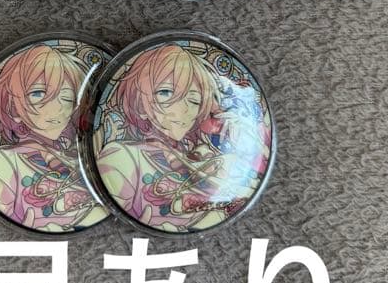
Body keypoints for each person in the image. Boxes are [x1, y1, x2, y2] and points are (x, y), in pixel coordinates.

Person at [96, 44, 267, 232]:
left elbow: (235, 195)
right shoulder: (122, 156)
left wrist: (245, 141)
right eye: (166, 92)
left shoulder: (207, 156)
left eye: (194, 100)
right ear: (139, 103)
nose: (183, 109)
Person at [0, 44, 107, 232]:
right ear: (12, 107)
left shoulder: (80, 155)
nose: (57, 108)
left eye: (67, 97)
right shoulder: (0, 161)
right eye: (38, 94)